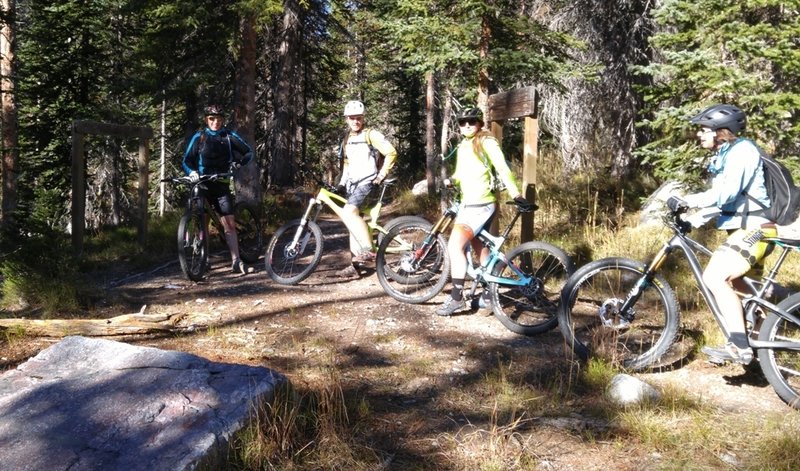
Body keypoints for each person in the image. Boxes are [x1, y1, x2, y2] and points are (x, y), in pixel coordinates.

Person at [667, 103, 774, 365]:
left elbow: (726, 194)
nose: (699, 135)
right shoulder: (727, 154)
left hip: (755, 230)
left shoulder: (742, 152)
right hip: (750, 229)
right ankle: (764, 346)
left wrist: (687, 199)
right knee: (743, 288)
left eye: (704, 130)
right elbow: (723, 202)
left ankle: (739, 347)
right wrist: (693, 220)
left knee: (715, 277)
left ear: (720, 130)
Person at [436, 107, 531, 317]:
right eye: (463, 122)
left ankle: (456, 298)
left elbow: (502, 168)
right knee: (481, 249)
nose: (467, 125)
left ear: (479, 123)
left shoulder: (486, 141)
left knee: (454, 246)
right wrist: (451, 180)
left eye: (472, 121)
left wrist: (516, 194)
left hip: (479, 204)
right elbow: (463, 172)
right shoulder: (463, 145)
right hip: (469, 203)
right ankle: (489, 295)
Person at [182, 104, 255, 275]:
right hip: (203, 184)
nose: (215, 122)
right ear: (206, 120)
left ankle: (236, 261)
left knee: (229, 224)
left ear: (223, 120)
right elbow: (186, 160)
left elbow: (248, 152)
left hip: (221, 184)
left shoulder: (229, 136)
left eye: (219, 119)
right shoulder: (199, 137)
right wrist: (192, 172)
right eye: (212, 119)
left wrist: (238, 163)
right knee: (203, 222)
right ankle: (204, 259)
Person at [333, 100, 398, 279]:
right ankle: (354, 266)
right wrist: (341, 183)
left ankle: (368, 250)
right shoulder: (347, 138)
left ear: (363, 118)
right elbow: (347, 164)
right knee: (353, 221)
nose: (356, 121)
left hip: (368, 182)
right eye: (352, 118)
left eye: (359, 118)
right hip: (352, 185)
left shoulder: (371, 134)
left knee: (349, 213)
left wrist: (381, 175)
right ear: (346, 119)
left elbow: (391, 152)